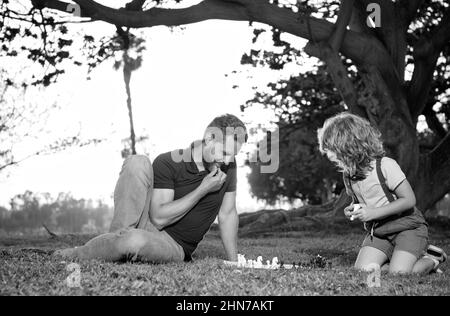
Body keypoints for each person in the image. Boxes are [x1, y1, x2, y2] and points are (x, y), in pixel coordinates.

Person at [54, 114, 248, 263]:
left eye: (233, 155)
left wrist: (234, 262)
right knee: (137, 162)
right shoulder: (169, 161)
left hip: (173, 244)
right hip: (146, 222)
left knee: (133, 241)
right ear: (208, 138)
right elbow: (159, 218)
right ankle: (102, 245)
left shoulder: (228, 166)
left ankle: (118, 245)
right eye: (224, 152)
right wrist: (203, 189)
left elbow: (228, 213)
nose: (228, 160)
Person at [317, 112, 447, 274]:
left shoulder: (385, 166)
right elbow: (362, 201)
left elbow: (409, 200)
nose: (328, 155)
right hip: (379, 233)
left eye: (331, 150)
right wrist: (352, 208)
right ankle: (398, 260)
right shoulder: (348, 175)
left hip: (408, 228)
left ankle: (431, 260)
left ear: (349, 146)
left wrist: (373, 213)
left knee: (400, 274)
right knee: (362, 270)